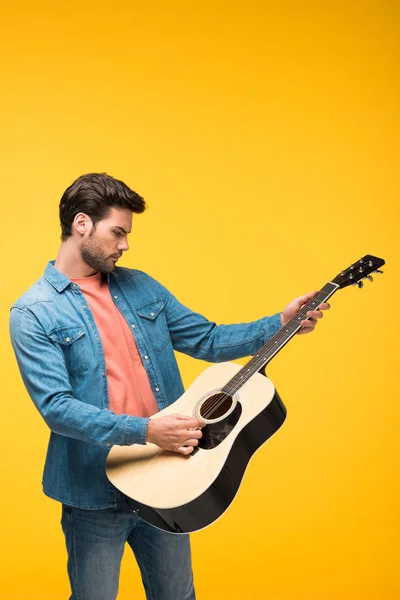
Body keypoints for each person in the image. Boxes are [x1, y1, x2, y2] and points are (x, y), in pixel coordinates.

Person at [9, 173, 330, 600]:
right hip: (92, 493)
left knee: (177, 596)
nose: (125, 244)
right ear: (82, 224)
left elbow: (209, 339)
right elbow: (58, 409)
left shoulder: (141, 286)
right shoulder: (33, 313)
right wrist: (146, 431)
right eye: (118, 232)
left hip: (168, 479)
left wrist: (281, 322)